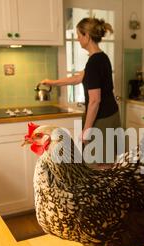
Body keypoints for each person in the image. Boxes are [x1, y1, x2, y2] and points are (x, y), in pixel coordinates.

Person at [41, 17, 122, 167]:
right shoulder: (101, 57)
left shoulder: (94, 62)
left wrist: (86, 130)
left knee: (100, 166)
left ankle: (103, 190)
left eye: (79, 35)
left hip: (103, 119)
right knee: (106, 163)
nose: (78, 39)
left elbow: (94, 100)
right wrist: (53, 82)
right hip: (111, 115)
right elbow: (79, 78)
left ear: (87, 36)